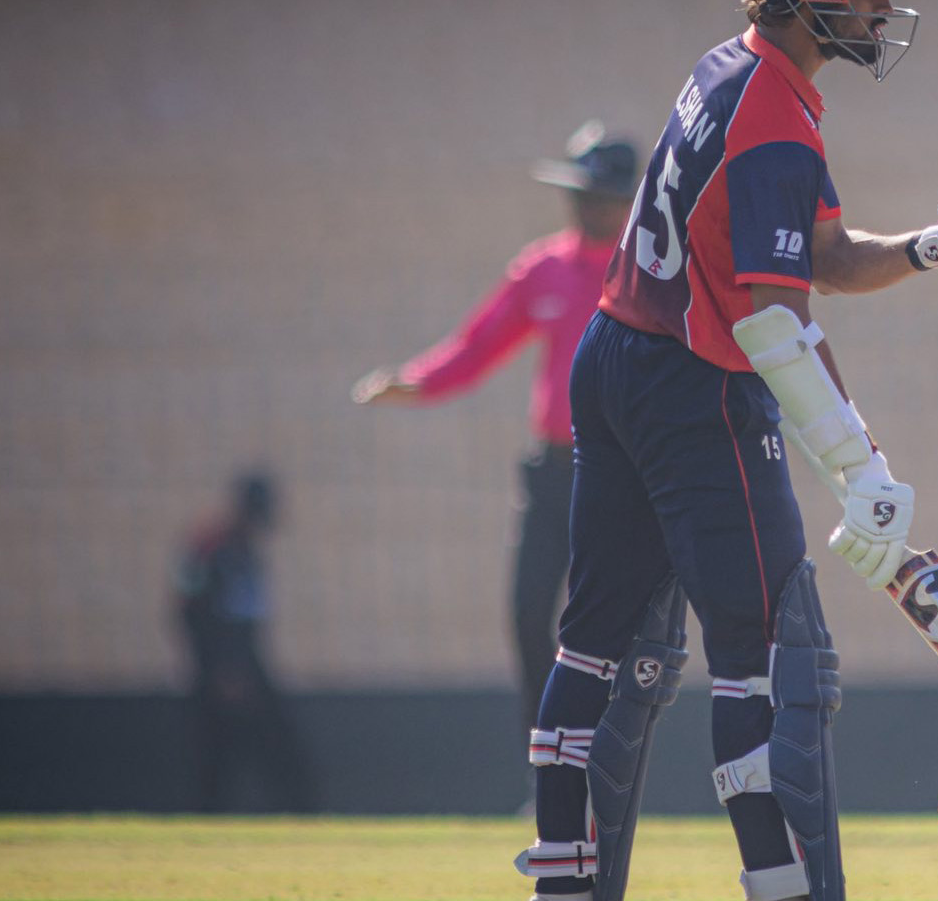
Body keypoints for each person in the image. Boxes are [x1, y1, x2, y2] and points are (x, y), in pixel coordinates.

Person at [516, 0, 938, 901]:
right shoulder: (776, 121)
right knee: (762, 656)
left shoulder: (732, 68)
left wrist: (933, 247)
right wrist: (860, 467)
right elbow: (773, 328)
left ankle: (563, 879)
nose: (883, 12)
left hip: (617, 355)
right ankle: (778, 884)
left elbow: (823, 257)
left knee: (593, 643)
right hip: (695, 387)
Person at [351, 123, 639, 732]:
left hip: (625, 476)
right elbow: (478, 345)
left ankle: (609, 752)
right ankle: (546, 752)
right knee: (529, 613)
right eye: (580, 194)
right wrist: (416, 382)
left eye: (600, 196)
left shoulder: (649, 272)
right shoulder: (543, 268)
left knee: (617, 627)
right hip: (555, 471)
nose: (587, 207)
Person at [173, 468, 316, 813]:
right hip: (221, 666)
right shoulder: (210, 549)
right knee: (219, 759)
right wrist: (221, 668)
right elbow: (191, 610)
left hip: (247, 661)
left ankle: (298, 817)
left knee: (277, 753)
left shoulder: (246, 551)